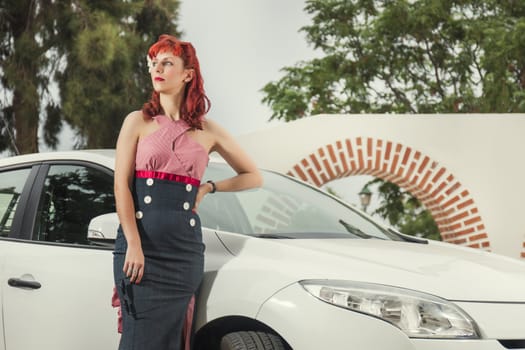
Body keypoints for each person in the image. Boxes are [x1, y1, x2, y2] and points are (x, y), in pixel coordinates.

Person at [112, 34, 262, 350]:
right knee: (140, 341)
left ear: (187, 74)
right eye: (154, 62)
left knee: (172, 342)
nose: (158, 69)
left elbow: (253, 176)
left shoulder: (210, 131)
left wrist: (210, 187)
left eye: (168, 62)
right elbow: (121, 185)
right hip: (142, 250)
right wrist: (134, 243)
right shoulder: (137, 121)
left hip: (183, 253)